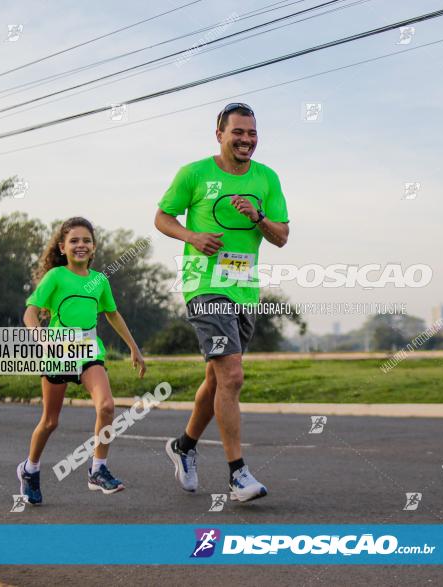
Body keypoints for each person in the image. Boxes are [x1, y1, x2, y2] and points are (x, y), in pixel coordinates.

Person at [155, 103, 289, 502]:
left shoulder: (267, 179)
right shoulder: (194, 173)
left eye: (252, 133)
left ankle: (184, 445)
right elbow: (162, 217)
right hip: (205, 285)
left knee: (217, 379)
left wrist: (259, 217)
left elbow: (281, 236)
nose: (246, 140)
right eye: (238, 133)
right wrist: (192, 237)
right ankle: (237, 475)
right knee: (232, 376)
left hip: (244, 290)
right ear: (220, 134)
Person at [17, 217, 146, 505]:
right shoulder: (55, 277)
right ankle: (30, 469)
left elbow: (112, 313)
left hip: (90, 352)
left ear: (94, 247)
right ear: (62, 247)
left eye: (86, 240)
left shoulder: (99, 280)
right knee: (50, 421)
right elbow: (30, 313)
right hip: (58, 354)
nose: (80, 245)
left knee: (108, 406)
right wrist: (41, 336)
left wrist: (133, 347)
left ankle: (97, 469)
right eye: (74, 240)